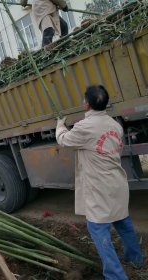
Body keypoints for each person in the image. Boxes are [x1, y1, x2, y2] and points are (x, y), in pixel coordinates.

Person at [55, 85, 144, 280]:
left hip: (99, 187)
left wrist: (60, 125)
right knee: (122, 221)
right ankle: (136, 259)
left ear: (86, 103)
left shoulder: (84, 127)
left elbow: (63, 141)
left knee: (98, 229)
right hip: (117, 182)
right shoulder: (115, 125)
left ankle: (116, 276)